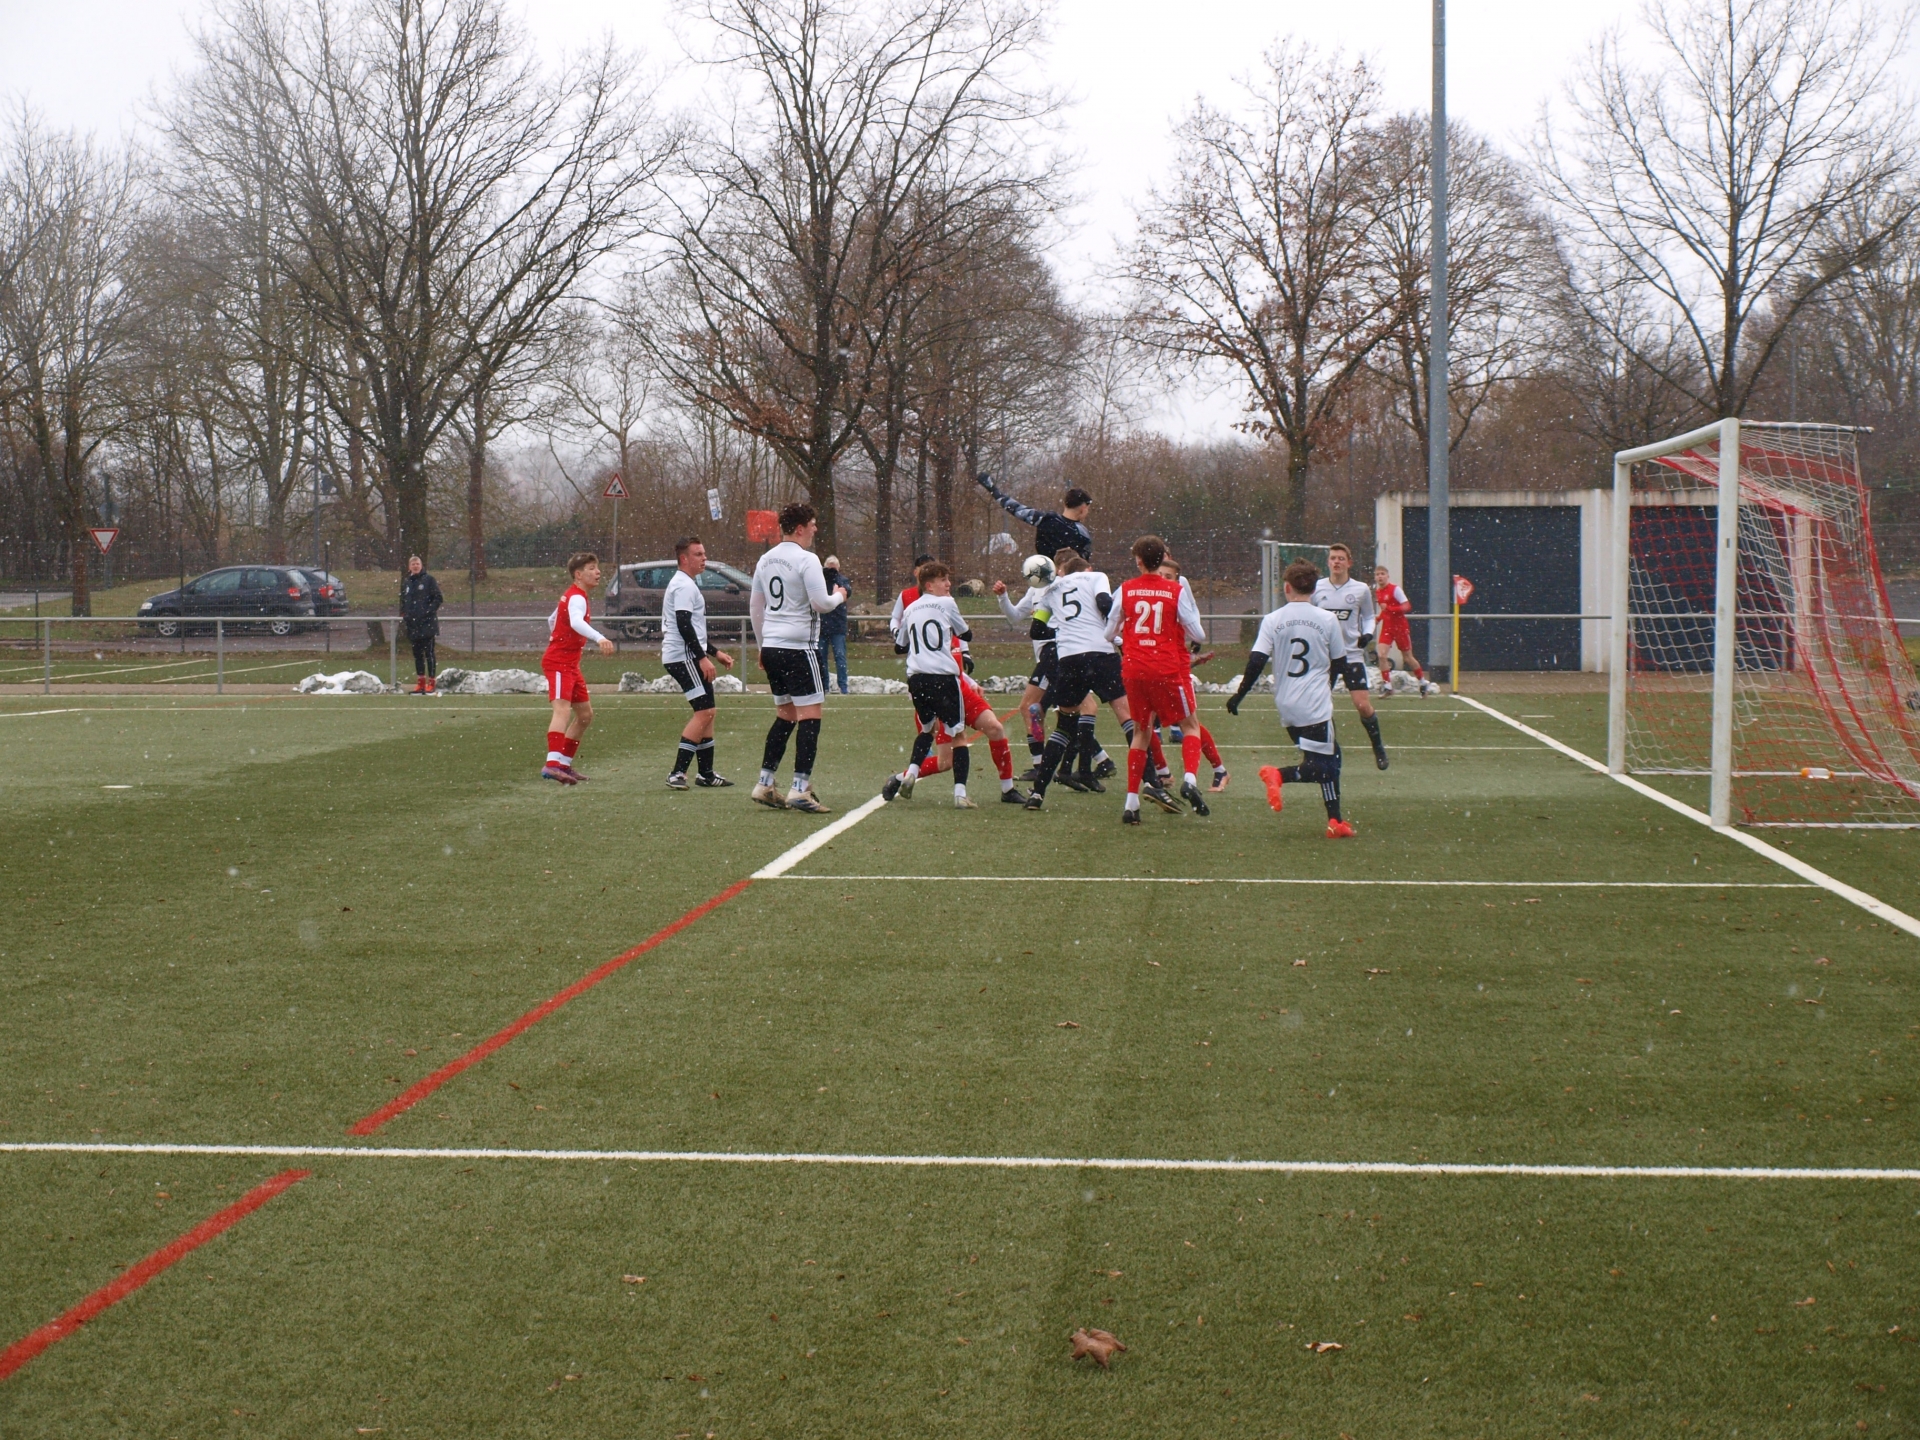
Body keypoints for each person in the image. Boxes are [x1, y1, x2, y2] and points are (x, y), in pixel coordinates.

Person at [995, 552, 1134, 810]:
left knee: (1050, 711)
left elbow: (1039, 628)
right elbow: (1016, 618)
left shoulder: (1054, 589)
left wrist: (1061, 630)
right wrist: (1003, 597)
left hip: (1060, 654)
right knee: (1053, 710)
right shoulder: (1049, 589)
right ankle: (1092, 766)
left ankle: (1049, 773)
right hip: (1071, 653)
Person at [1227, 559, 1354, 838]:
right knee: (1325, 766)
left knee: (1328, 758)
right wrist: (1327, 685)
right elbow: (1340, 662)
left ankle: (1336, 821)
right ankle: (1280, 775)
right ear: (1314, 589)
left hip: (1287, 704)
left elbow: (1256, 661)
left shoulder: (1273, 619)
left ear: (1287, 588)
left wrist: (1239, 694)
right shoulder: (1327, 619)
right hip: (1315, 704)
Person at [882, 562, 1023, 808]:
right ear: (929, 585)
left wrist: (970, 678)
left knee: (995, 728)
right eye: (943, 580)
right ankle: (904, 777)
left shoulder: (936, 611)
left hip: (955, 686)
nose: (949, 585)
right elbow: (962, 635)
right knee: (945, 761)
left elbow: (958, 648)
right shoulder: (941, 607)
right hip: (944, 686)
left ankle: (1007, 788)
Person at [749, 502, 848, 813]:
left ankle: (765, 782)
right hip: (798, 647)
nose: (816, 529)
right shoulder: (807, 559)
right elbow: (821, 603)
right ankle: (800, 788)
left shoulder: (765, 559)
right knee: (810, 716)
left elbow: (756, 606)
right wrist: (840, 595)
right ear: (801, 528)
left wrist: (762, 646)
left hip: (773, 647)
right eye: (813, 524)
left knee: (786, 715)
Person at [1106, 535, 1209, 823]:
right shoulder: (1175, 590)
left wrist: (1130, 631)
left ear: (1138, 561)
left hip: (1134, 669)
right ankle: (1190, 779)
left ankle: (1131, 804)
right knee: (1190, 725)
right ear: (1162, 559)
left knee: (1141, 732)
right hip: (1165, 668)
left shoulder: (1126, 589)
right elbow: (1199, 635)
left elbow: (1108, 633)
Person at [662, 535, 737, 790]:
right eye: (698, 554)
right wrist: (703, 658)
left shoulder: (686, 583)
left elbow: (692, 628)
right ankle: (677, 773)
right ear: (684, 559)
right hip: (683, 657)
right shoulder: (683, 585)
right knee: (704, 712)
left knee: (708, 712)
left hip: (688, 655)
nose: (704, 558)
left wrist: (715, 653)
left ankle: (706, 773)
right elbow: (683, 624)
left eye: (704, 553)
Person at [540, 552, 615, 785]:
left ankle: (563, 764)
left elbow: (552, 620)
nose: (598, 572)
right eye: (591, 568)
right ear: (578, 574)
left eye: (597, 567)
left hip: (570, 664)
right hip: (559, 663)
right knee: (562, 710)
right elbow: (575, 622)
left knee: (584, 715)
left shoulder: (575, 595)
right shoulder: (577, 597)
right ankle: (552, 765)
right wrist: (600, 638)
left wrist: (559, 636)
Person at [1313, 543, 1389, 770]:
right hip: (1325, 658)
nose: (1336, 562)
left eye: (1341, 558)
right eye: (1333, 558)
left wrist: (1368, 634)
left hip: (1351, 656)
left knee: (1363, 705)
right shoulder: (1317, 588)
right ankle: (1328, 750)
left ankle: (1378, 746)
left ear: (1349, 563)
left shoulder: (1360, 589)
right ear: (1328, 562)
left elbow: (1369, 617)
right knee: (1320, 706)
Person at [1156, 555, 1229, 792]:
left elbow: (1193, 621)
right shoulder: (1141, 589)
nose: (1163, 578)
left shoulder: (1178, 590)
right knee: (1145, 723)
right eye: (1160, 573)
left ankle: (1209, 772)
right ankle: (1162, 773)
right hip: (1153, 665)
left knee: (1187, 722)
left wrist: (1193, 648)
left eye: (1168, 575)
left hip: (1174, 666)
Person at [975, 474, 1094, 563]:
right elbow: (1083, 565)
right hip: (1071, 582)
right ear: (1083, 508)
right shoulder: (1082, 534)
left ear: (1065, 503)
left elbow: (1015, 508)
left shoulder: (1046, 520)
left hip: (1045, 578)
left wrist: (992, 489)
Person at [1372, 563, 1437, 695]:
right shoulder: (1378, 592)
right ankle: (1387, 686)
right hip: (1387, 628)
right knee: (1382, 655)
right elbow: (1385, 611)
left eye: (1382, 574)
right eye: (1377, 574)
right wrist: (1378, 619)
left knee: (1407, 657)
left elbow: (1407, 606)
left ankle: (1423, 682)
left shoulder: (1395, 589)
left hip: (1400, 627)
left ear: (1388, 576)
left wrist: (1390, 608)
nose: (1380, 577)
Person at [399, 555, 444, 695]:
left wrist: (427, 612)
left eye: (417, 564)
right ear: (409, 567)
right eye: (413, 564)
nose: (415, 566)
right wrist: (405, 615)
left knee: (429, 654)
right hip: (413, 625)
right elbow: (403, 601)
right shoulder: (407, 582)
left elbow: (438, 598)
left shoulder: (429, 580)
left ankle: (432, 682)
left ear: (421, 565)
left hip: (427, 624)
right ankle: (421, 684)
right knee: (417, 655)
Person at [817, 554, 851, 696]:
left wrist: (835, 579)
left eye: (833, 569)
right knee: (821, 658)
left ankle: (843, 686)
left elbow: (847, 592)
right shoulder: (819, 582)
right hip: (822, 626)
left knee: (840, 656)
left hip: (837, 626)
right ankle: (824, 686)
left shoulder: (842, 580)